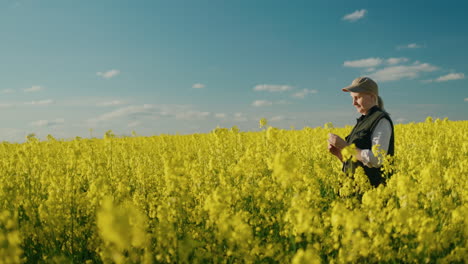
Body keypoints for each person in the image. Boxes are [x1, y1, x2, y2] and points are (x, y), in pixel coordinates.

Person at [327, 77, 394, 187]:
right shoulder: (362, 122)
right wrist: (339, 154)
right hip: (354, 192)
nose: (354, 103)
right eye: (352, 98)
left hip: (373, 194)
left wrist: (345, 147)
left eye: (357, 98)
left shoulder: (381, 121)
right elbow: (356, 161)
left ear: (372, 97)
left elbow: (376, 159)